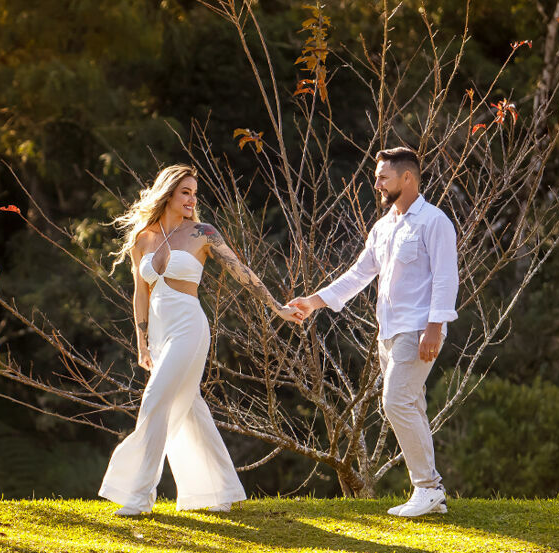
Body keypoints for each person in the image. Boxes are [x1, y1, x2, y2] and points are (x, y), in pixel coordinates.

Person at [99, 165, 302, 517]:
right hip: (159, 333)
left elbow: (242, 272)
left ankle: (138, 495)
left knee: (155, 399)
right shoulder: (143, 238)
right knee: (189, 407)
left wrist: (277, 307)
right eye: (185, 192)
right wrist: (142, 342)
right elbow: (140, 293)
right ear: (168, 194)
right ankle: (217, 491)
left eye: (195, 193)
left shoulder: (203, 233)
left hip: (189, 328)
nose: (192, 199)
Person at [288, 147, 460, 518]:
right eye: (377, 177)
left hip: (419, 329)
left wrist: (434, 327)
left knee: (395, 401)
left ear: (407, 178)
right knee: (410, 404)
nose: (377, 184)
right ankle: (431, 494)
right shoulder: (383, 228)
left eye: (383, 177)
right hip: (389, 333)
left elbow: (447, 277)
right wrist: (313, 302)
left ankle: (428, 488)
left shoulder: (435, 221)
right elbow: (358, 274)